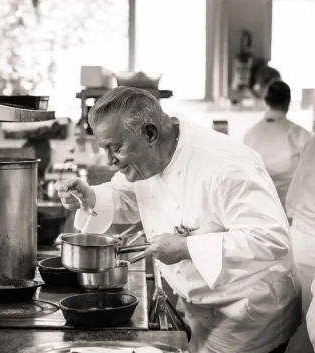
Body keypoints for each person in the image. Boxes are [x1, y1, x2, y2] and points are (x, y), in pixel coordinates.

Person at [55, 87, 300, 353]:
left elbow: (270, 238)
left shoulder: (225, 163)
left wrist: (186, 247)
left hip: (249, 313)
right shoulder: (148, 158)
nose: (110, 161)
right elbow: (124, 196)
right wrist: (90, 197)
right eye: (105, 149)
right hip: (198, 307)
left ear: (149, 133)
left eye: (115, 148)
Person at [244, 80, 311, 211]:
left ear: (266, 101)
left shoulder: (250, 134)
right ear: (288, 102)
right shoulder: (301, 135)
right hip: (291, 210)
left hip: (260, 207)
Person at [284, 136, 315, 353]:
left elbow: (293, 200)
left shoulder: (312, 142)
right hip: (306, 239)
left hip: (302, 239)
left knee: (299, 324)